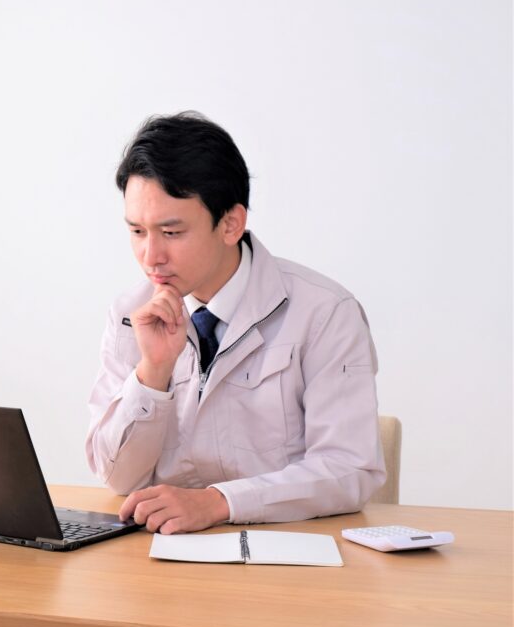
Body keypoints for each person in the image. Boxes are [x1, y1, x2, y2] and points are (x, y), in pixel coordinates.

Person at [86, 112, 385, 534]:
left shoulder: (325, 312)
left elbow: (348, 468)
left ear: (230, 224)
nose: (151, 256)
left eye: (171, 233)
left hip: (283, 550)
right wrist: (153, 372)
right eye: (137, 231)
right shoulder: (129, 313)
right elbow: (118, 478)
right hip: (160, 550)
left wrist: (218, 502)